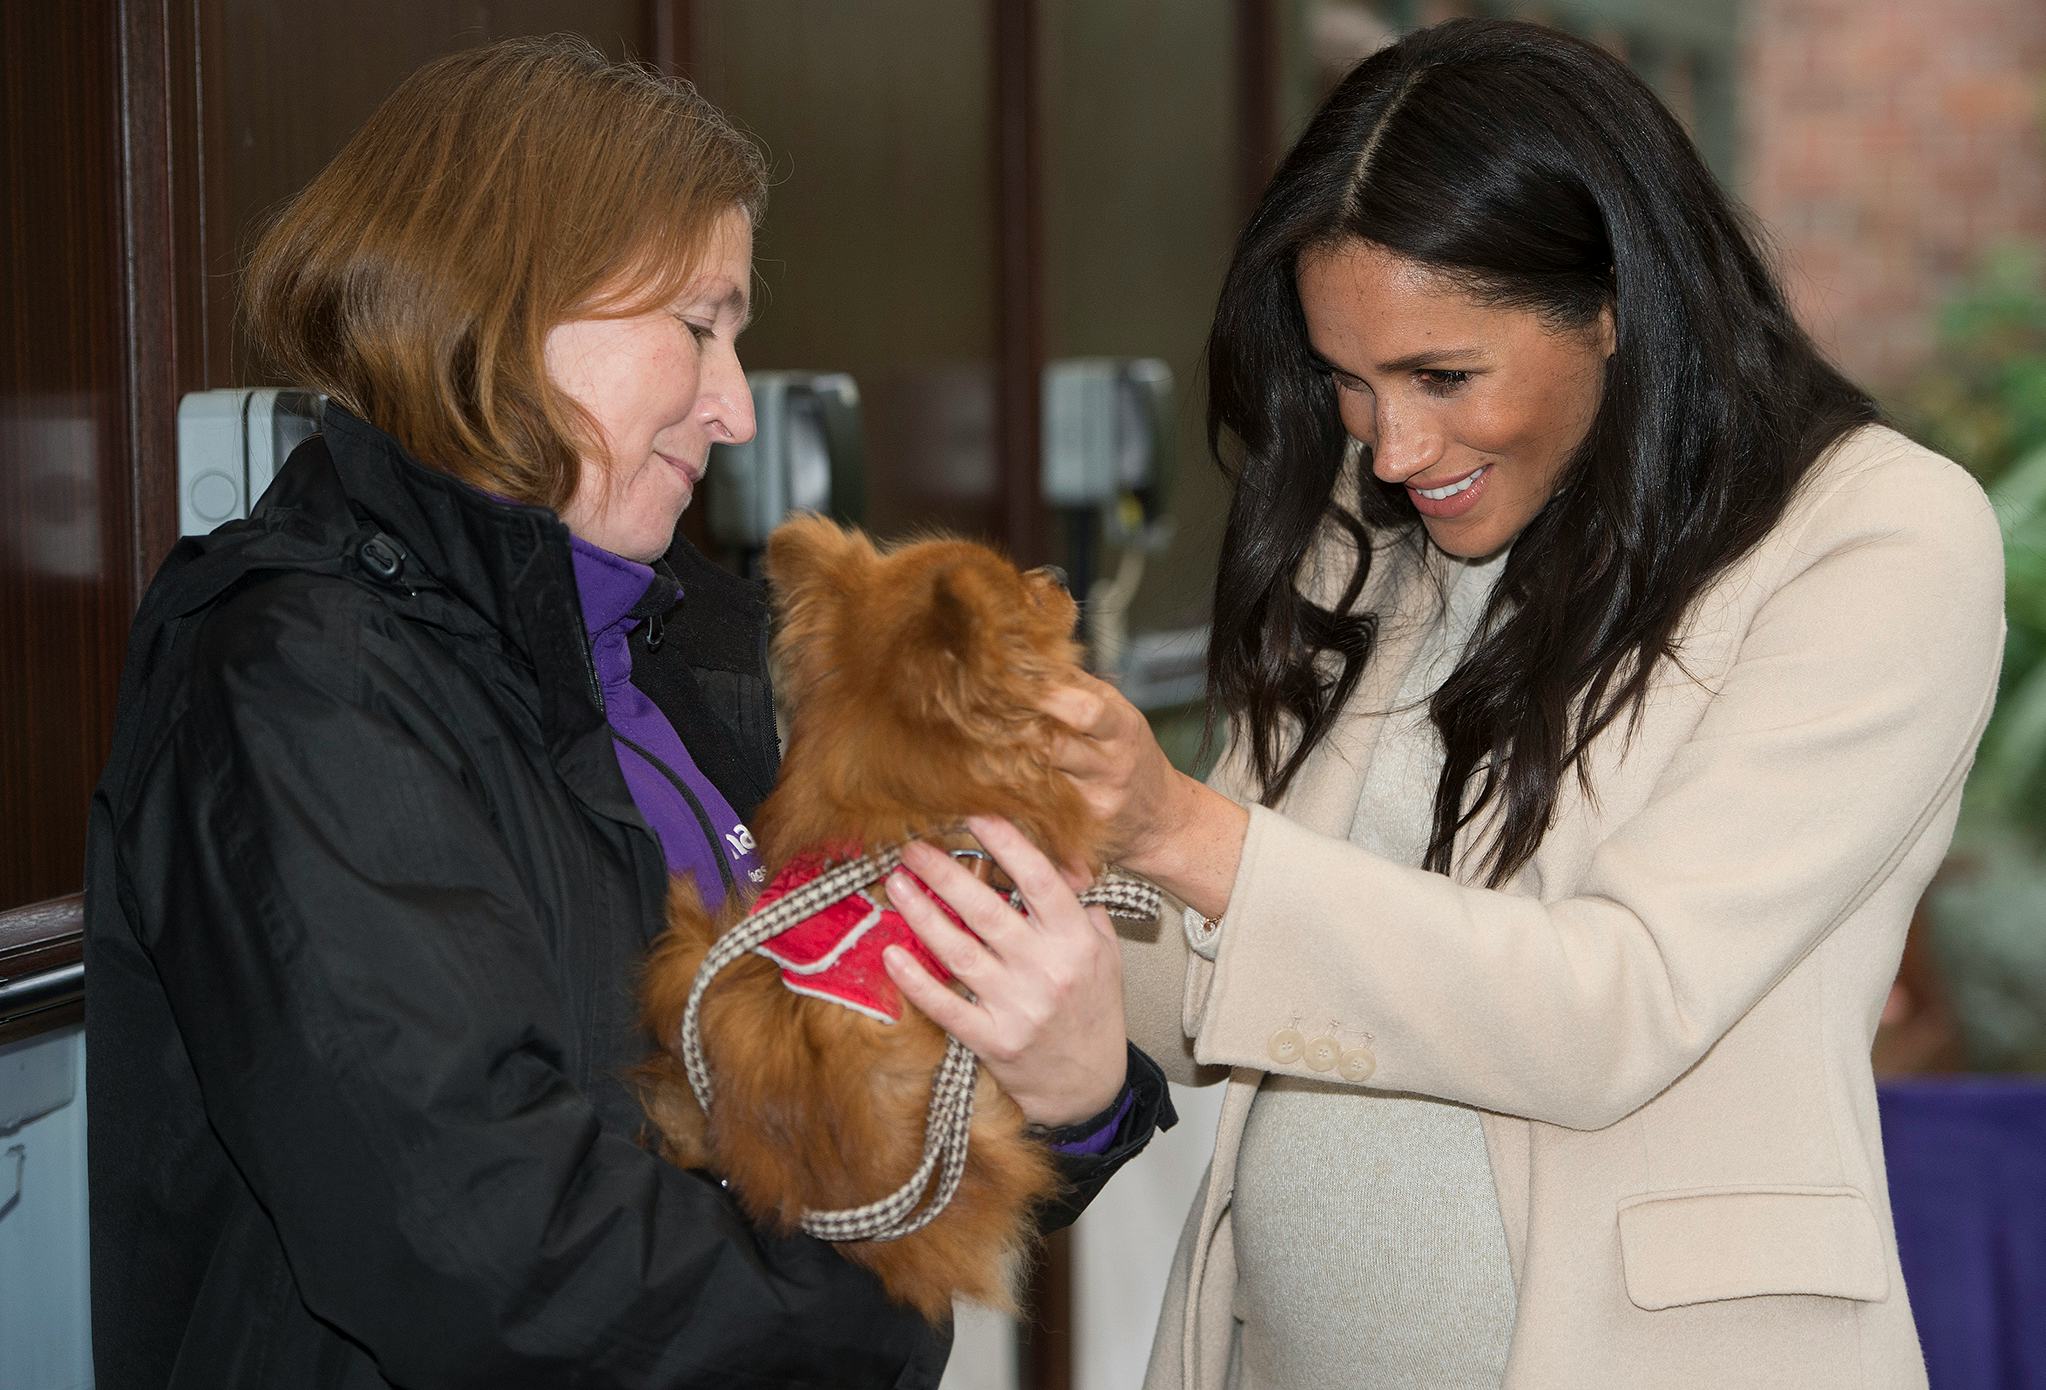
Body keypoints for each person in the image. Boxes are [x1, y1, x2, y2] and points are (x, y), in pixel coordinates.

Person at [84, 37, 1167, 1390]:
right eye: (699, 326)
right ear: (507, 298)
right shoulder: (293, 676)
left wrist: (1074, 1097)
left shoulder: (689, 647)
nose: (729, 408)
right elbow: (485, 1246)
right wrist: (885, 1317)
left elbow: (848, 1129)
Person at [1037, 19, 2004, 1390]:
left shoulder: (1877, 537)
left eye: (1443, 375)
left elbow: (1616, 1001)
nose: (1393, 448)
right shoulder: (1367, 526)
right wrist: (1037, 892)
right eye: (1348, 382)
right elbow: (1208, 974)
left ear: (1613, 303)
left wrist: (1185, 834)